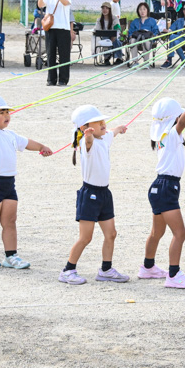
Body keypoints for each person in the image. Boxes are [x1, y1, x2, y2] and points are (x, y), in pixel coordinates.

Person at [0, 94, 53, 270]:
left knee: (10, 222)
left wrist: (41, 147)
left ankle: (11, 256)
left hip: (8, 184)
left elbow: (27, 142)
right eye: (1, 112)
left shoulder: (10, 134)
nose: (7, 115)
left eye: (7, 112)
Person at [59, 105, 130, 285]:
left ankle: (106, 270)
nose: (103, 124)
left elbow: (111, 132)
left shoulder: (104, 137)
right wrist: (88, 136)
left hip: (104, 193)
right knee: (86, 237)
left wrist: (119, 129)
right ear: (84, 128)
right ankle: (68, 270)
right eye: (97, 122)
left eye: (102, 121)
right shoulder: (86, 143)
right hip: (89, 194)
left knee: (111, 234)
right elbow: (88, 142)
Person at [140, 92, 185, 289]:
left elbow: (180, 123)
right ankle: (173, 275)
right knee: (180, 233)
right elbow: (182, 123)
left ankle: (148, 267)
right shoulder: (172, 134)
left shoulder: (163, 136)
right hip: (166, 187)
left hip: (159, 187)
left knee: (157, 232)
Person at [39, 0, 72, 86]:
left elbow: (65, 3)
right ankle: (51, 79)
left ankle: (63, 79)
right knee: (50, 54)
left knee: (64, 55)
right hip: (51, 27)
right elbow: (41, 5)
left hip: (63, 28)